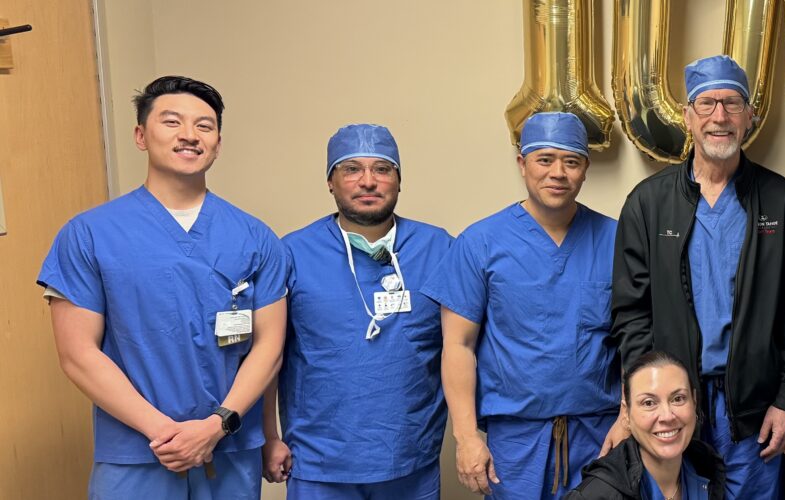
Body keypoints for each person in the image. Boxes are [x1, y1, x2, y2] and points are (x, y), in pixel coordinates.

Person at [39, 75, 289, 499]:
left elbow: (269, 348)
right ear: (141, 135)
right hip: (139, 450)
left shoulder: (255, 238)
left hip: (228, 447)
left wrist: (217, 426)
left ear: (218, 143)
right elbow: (77, 354)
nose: (189, 135)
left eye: (204, 126)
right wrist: (168, 434)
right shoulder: (89, 235)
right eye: (172, 122)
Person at [609, 55, 785, 499]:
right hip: (672, 404)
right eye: (706, 104)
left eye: (732, 104)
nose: (719, 117)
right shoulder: (648, 205)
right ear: (687, 117)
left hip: (754, 407)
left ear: (749, 118)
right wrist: (638, 402)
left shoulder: (782, 202)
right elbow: (631, 314)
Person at [421, 112, 619, 499]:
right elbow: (458, 347)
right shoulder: (480, 243)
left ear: (585, 170)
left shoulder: (617, 239)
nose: (558, 172)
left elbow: (637, 338)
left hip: (601, 433)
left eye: (571, 161)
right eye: (544, 159)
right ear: (522, 164)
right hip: (513, 441)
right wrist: (465, 438)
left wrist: (628, 418)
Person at [263, 124, 452, 498]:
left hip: (410, 458)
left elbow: (466, 348)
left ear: (399, 180)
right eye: (351, 169)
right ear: (330, 181)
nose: (368, 181)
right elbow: (268, 356)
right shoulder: (292, 254)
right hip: (320, 462)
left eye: (382, 169)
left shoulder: (440, 249)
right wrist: (269, 435)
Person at [567, 351, 728, 500]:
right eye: (649, 402)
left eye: (678, 399)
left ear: (694, 401)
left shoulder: (708, 468)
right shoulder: (595, 495)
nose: (667, 416)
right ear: (626, 415)